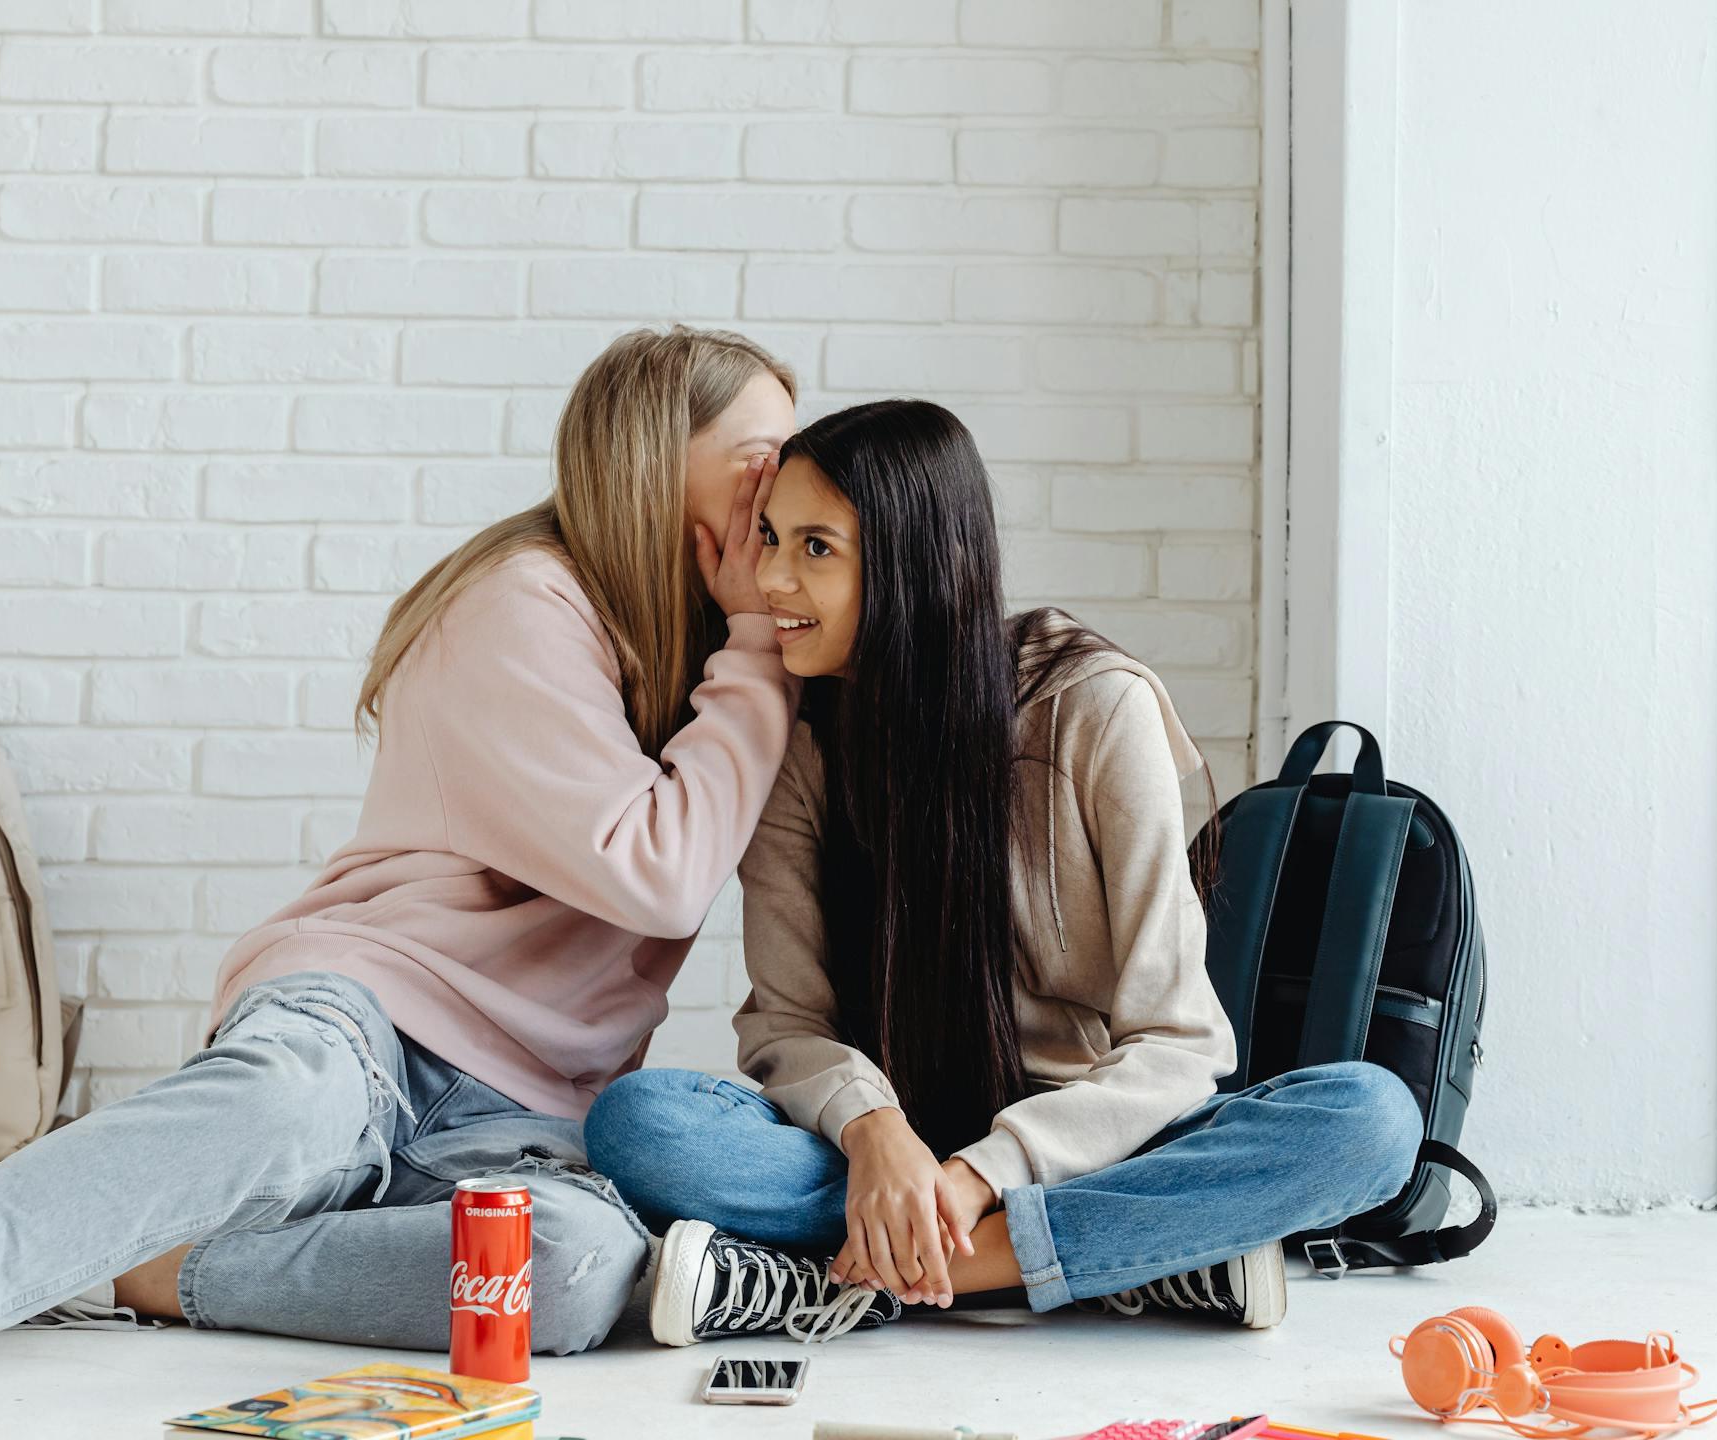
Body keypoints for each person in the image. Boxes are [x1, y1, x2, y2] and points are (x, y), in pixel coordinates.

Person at [0, 327, 802, 1440]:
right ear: (651, 460)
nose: (778, 488)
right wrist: (755, 649)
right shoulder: (527, 601)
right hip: (376, 1017)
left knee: (579, 1271)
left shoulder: (721, 658)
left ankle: (143, 1261)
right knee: (290, 1105)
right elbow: (662, 876)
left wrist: (753, 646)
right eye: (760, 457)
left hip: (527, 1111)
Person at [583, 398, 1423, 1347]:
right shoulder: (801, 745)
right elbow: (788, 1023)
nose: (772, 578)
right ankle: (1141, 1257)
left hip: (1082, 1150)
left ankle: (872, 1277)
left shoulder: (1094, 709)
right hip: (886, 1162)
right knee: (640, 1122)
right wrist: (874, 1133)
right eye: (771, 538)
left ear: (914, 561)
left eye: (816, 548)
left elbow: (1180, 1043)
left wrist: (982, 1175)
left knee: (1375, 1120)